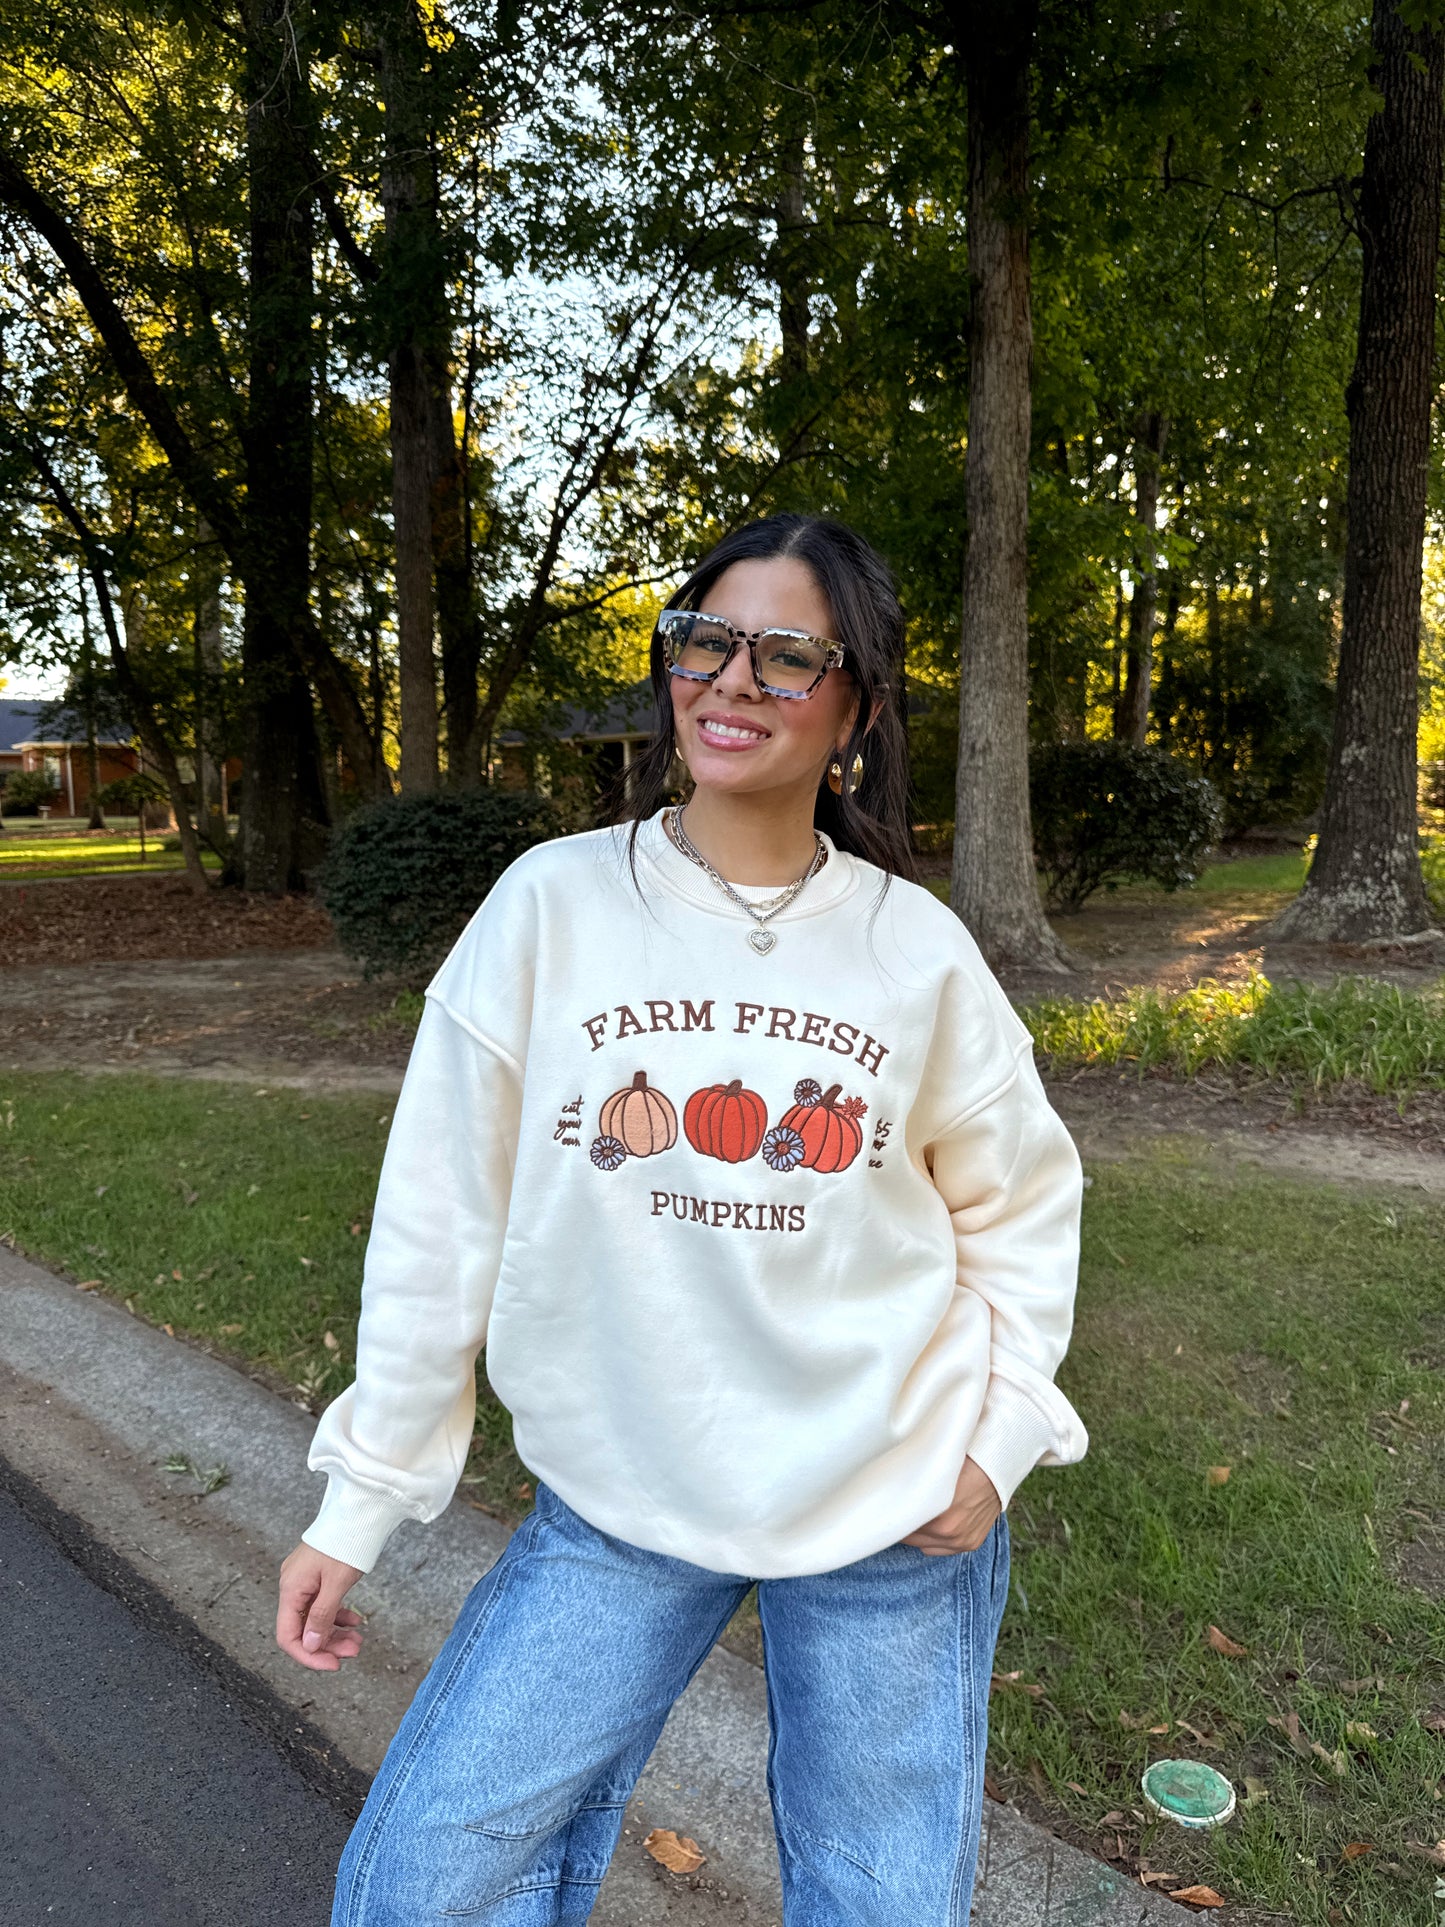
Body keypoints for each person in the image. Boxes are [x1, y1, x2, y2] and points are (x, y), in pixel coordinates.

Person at [275, 512, 1089, 1925]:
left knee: (881, 1902)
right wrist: (364, 1498)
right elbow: (437, 1219)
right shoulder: (553, 904)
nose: (732, 681)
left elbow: (1021, 1203)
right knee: (429, 1883)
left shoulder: (915, 950)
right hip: (623, 1493)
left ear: (856, 709)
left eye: (788, 655)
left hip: (891, 1500)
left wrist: (1000, 1432)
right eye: (707, 642)